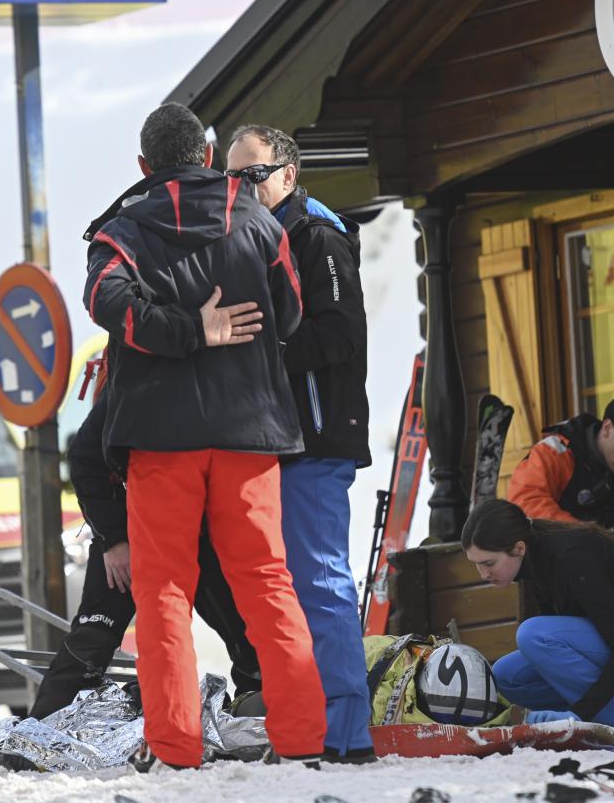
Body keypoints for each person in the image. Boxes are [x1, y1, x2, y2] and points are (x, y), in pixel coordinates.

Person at [82, 103, 326, 770]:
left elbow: (105, 301)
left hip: (161, 439)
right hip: (249, 433)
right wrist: (217, 334)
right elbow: (290, 312)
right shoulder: (256, 220)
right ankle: (304, 736)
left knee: (163, 593)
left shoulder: (122, 231)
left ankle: (177, 746)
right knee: (267, 581)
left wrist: (186, 331)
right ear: (211, 157)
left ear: (143, 166)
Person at [224, 124, 373, 762]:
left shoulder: (315, 233)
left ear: (286, 173)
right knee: (277, 585)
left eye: (252, 175)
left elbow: (341, 333)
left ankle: (345, 733)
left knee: (318, 580)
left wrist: (262, 351)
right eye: (232, 177)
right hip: (276, 440)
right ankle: (308, 724)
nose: (241, 188)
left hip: (315, 438)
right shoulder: (254, 236)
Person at [27, 386, 261, 718]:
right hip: (132, 530)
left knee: (248, 633)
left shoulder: (227, 374)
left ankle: (262, 717)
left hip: (205, 533)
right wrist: (115, 538)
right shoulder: (139, 375)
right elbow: (85, 457)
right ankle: (39, 735)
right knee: (93, 638)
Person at [461, 499, 614, 745]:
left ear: (519, 548)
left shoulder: (570, 558)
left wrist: (579, 716)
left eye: (488, 563)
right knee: (505, 675)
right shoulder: (536, 562)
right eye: (476, 565)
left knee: (533, 635)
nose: (483, 574)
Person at [505, 390, 614, 562]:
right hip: (553, 567)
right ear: (607, 428)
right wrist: (585, 533)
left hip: (609, 574)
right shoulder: (555, 453)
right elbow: (525, 504)